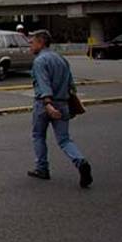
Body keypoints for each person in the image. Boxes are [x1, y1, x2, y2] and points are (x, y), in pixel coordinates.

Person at [27, 29, 92, 187]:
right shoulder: (61, 59)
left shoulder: (40, 61)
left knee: (38, 135)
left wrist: (47, 103)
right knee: (64, 139)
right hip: (63, 102)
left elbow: (43, 83)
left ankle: (42, 168)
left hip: (44, 104)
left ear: (41, 42)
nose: (30, 44)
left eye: (32, 42)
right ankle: (80, 161)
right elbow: (71, 84)